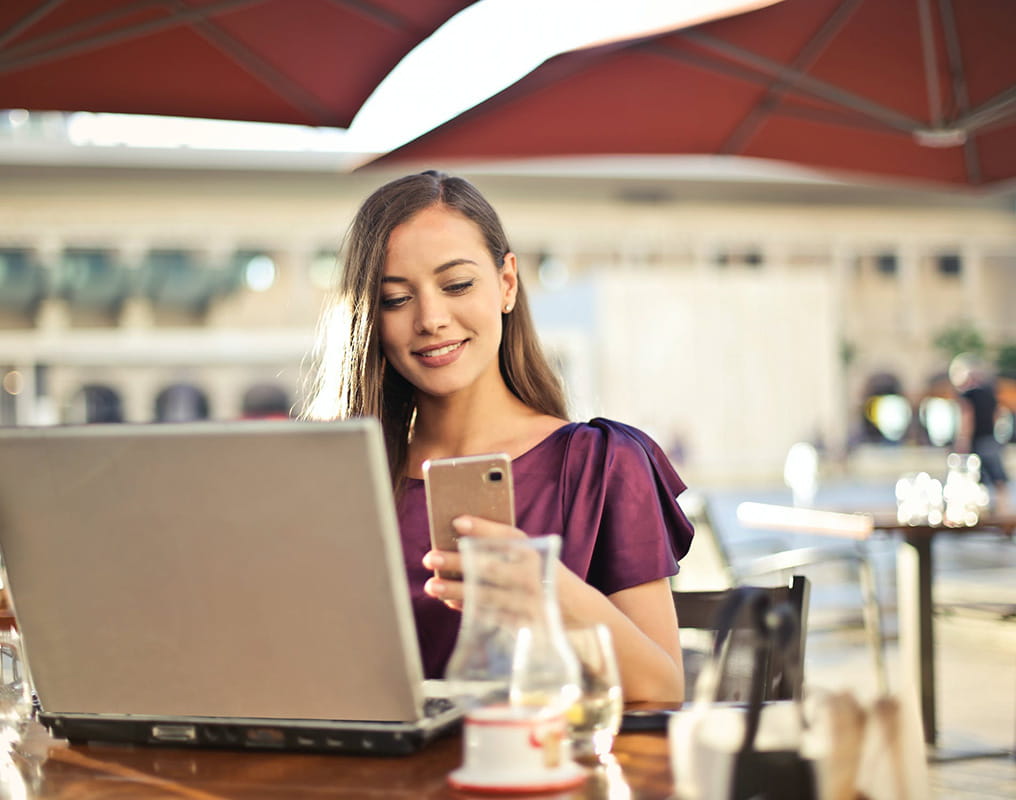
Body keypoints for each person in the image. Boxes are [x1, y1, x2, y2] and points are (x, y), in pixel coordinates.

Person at [306, 171, 693, 702]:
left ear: (506, 283)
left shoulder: (601, 463)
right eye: (396, 299)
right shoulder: (337, 477)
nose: (432, 319)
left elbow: (664, 686)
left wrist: (545, 589)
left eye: (457, 285)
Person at [949, 353, 1009, 512]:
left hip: (976, 440)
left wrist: (963, 440)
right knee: (997, 477)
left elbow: (967, 417)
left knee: (972, 476)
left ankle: (975, 510)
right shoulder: (989, 392)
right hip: (990, 438)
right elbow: (998, 414)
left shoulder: (968, 395)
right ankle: (1002, 510)